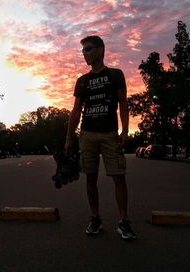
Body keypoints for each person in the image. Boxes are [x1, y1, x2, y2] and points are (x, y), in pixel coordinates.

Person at [65, 35, 136, 240]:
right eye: (83, 51)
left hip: (109, 134)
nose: (84, 54)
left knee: (118, 177)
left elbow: (123, 104)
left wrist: (125, 131)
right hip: (87, 134)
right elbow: (76, 110)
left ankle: (123, 222)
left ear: (100, 50)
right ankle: (95, 218)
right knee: (90, 177)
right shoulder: (82, 81)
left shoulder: (115, 75)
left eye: (88, 49)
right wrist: (69, 138)